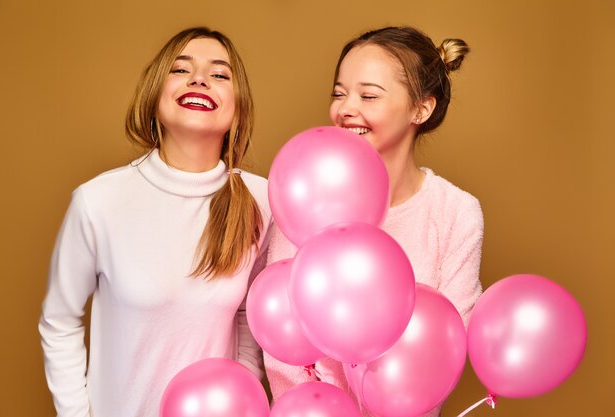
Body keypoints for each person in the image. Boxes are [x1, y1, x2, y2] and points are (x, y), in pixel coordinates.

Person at [39, 27, 272, 417]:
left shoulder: (262, 201)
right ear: (153, 94)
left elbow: (252, 315)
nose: (199, 79)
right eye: (181, 70)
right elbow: (58, 321)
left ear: (239, 107)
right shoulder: (98, 201)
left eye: (219, 74)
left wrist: (239, 392)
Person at [264, 26, 484, 417]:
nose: (345, 108)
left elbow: (443, 349)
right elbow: (284, 353)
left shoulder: (455, 212)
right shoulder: (305, 192)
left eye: (368, 95)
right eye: (338, 93)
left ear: (421, 109)